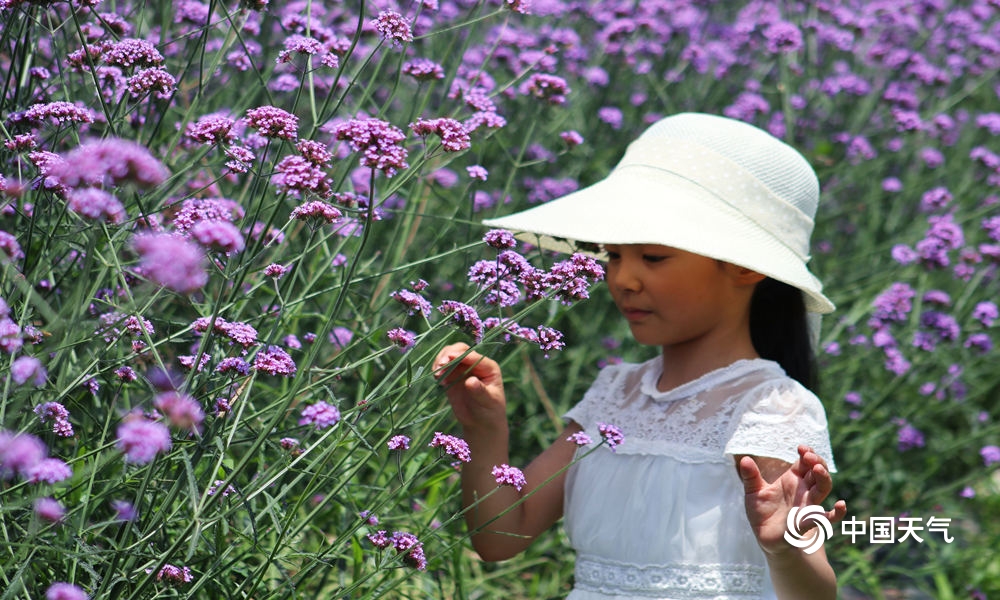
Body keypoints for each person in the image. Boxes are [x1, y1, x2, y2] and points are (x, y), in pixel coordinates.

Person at [433, 112, 848, 600]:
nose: (623, 279)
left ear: (744, 267)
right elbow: (502, 535)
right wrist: (485, 430)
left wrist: (786, 550)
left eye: (652, 257)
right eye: (614, 255)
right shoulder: (616, 393)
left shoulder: (771, 406)